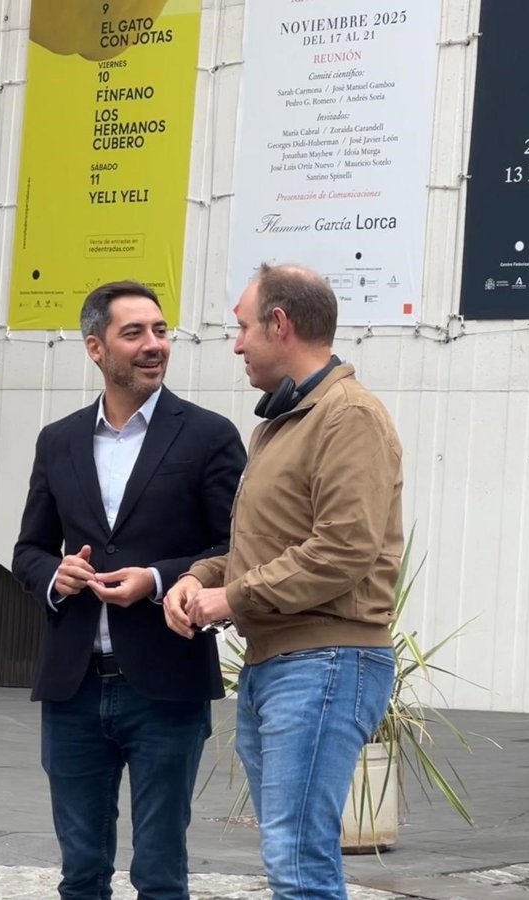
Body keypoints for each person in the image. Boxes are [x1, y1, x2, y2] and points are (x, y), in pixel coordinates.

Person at [164, 263, 403, 900]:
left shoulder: (348, 417)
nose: (236, 344)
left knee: (298, 861)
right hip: (283, 663)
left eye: (243, 328)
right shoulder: (282, 422)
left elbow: (343, 549)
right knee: (290, 856)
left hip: (325, 662)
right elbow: (264, 546)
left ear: (279, 324)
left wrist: (230, 598)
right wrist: (197, 577)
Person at [11, 280, 246, 899]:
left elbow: (238, 547)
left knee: (161, 874)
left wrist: (158, 580)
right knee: (80, 874)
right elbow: (29, 550)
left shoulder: (208, 436)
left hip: (166, 684)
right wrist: (56, 576)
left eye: (161, 331)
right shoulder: (58, 440)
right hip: (73, 686)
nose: (154, 344)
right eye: (134, 332)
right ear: (96, 348)